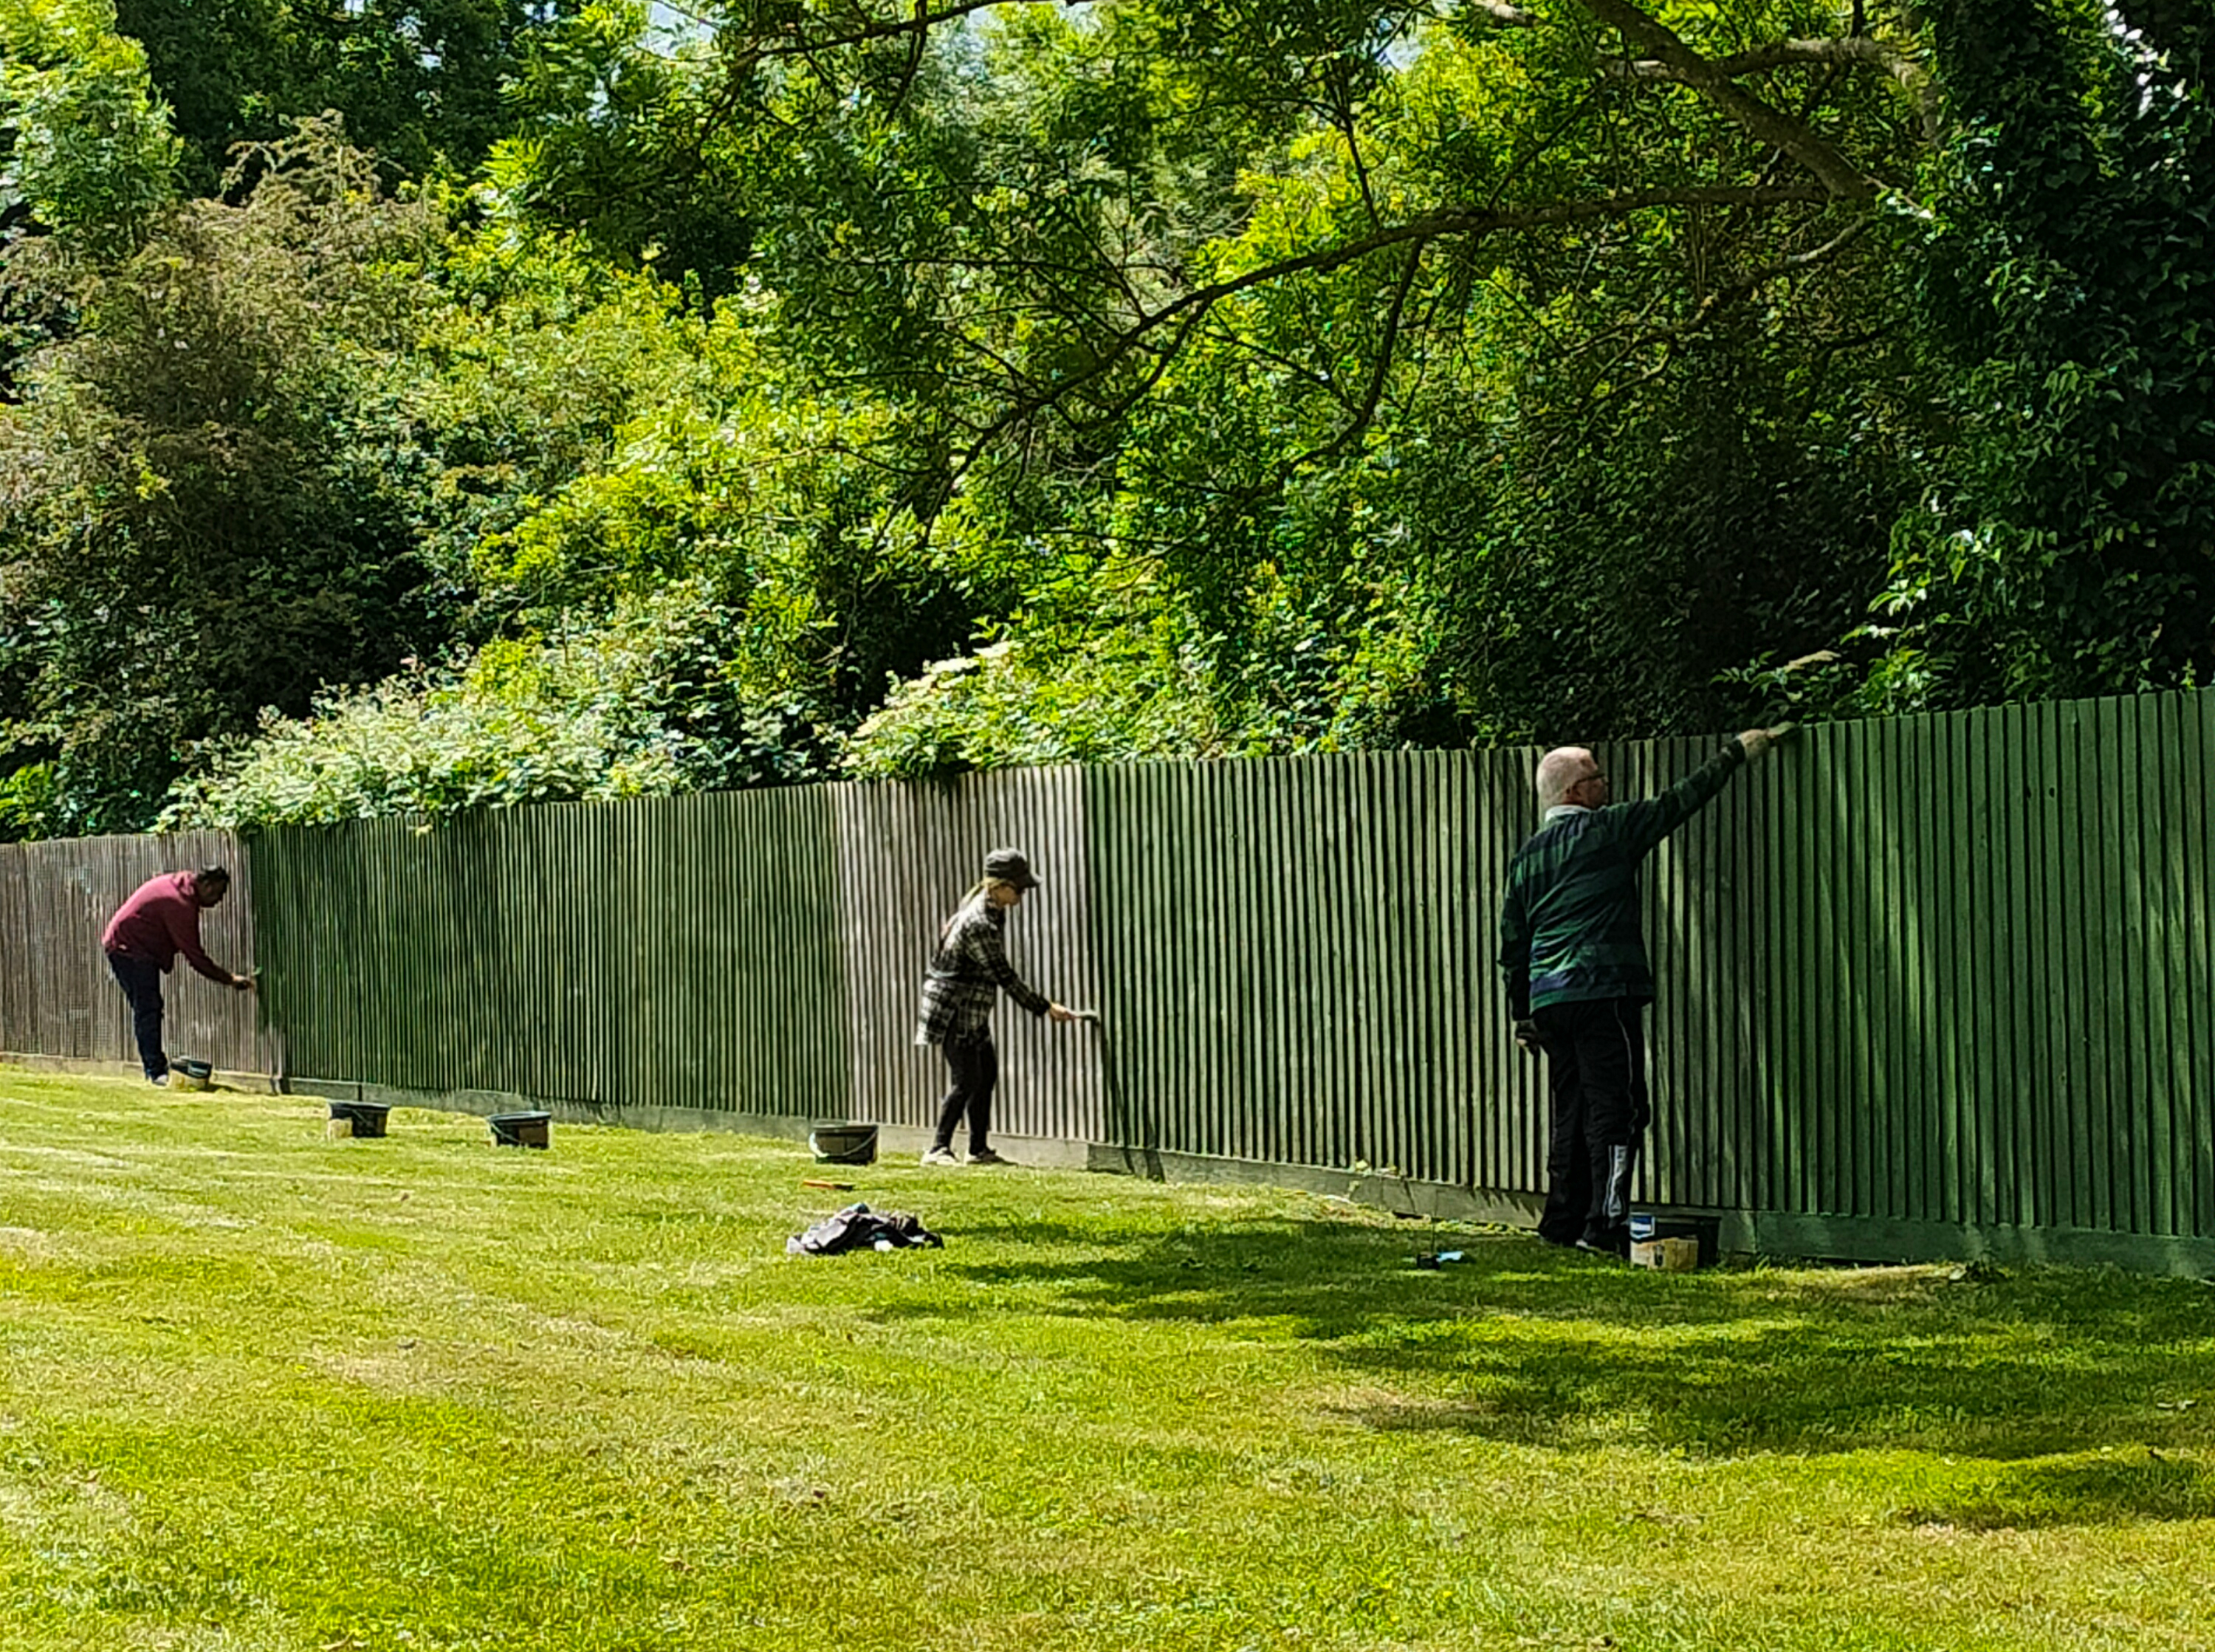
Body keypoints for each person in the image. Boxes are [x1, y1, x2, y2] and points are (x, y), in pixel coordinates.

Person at [1497, 729, 1786, 1256]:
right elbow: (1677, 802)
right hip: (1602, 988)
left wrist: (1523, 1014)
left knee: (1572, 1110)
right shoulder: (1608, 831)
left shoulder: (1527, 859)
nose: (1607, 784)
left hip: (1550, 999)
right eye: (1597, 777)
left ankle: (1561, 1222)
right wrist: (1735, 754)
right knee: (1619, 1108)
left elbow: (1513, 942)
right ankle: (1605, 1225)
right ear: (1574, 792)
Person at [914, 847, 1076, 1166]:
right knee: (966, 1079)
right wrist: (1045, 1007)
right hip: (955, 1010)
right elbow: (1003, 975)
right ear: (999, 886)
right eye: (1019, 888)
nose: (1022, 895)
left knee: (986, 1074)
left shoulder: (992, 910)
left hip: (974, 1010)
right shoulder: (979, 923)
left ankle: (978, 1149)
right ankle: (937, 1149)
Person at [100, 866, 255, 1084]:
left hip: (133, 945)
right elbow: (195, 956)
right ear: (206, 885)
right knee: (148, 1007)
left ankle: (155, 1067)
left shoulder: (180, 885)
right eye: (218, 893)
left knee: (149, 1007)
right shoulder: (179, 904)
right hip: (128, 947)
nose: (219, 900)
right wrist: (230, 979)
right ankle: (155, 1071)